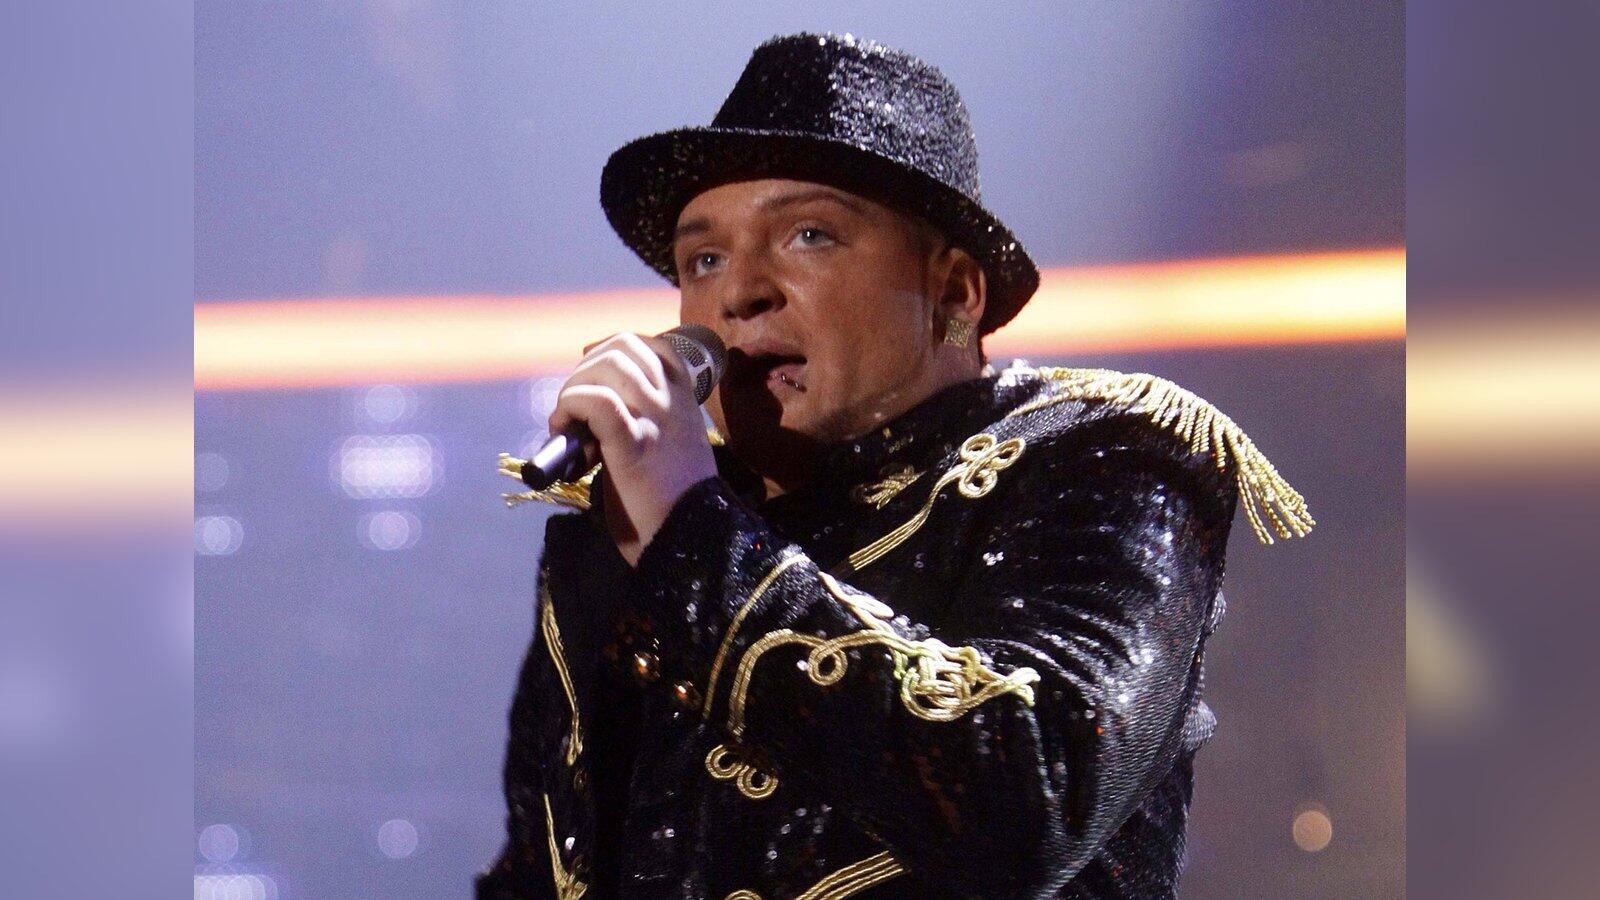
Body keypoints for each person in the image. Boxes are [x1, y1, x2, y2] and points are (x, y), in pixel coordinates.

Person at [477, 32, 1313, 900]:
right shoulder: (621, 537)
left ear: (955, 291)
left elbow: (1031, 797)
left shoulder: (1102, 452)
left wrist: (692, 534)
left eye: (809, 235)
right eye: (704, 259)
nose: (738, 292)